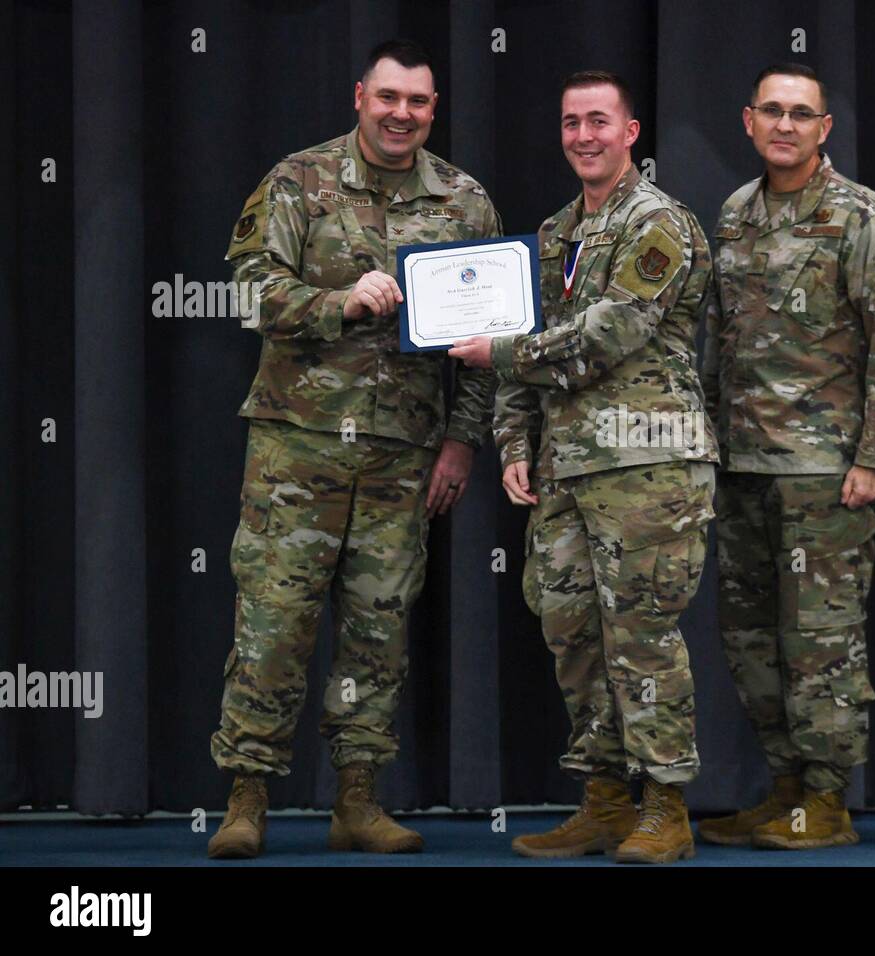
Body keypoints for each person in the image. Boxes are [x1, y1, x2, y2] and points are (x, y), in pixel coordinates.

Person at [207, 39, 501, 859]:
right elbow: (247, 292)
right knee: (273, 623)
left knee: (379, 628)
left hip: (403, 454)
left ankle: (358, 801)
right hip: (297, 449)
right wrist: (340, 302)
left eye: (418, 103)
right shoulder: (298, 179)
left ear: (433, 111)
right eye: (388, 99)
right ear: (360, 97)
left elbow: (488, 344)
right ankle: (247, 796)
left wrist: (461, 444)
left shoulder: (464, 202)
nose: (401, 114)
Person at [451, 71, 717, 864]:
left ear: (631, 132)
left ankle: (665, 807)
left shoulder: (659, 224)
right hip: (567, 471)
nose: (584, 136)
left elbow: (607, 334)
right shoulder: (553, 233)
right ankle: (604, 801)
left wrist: (499, 351)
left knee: (641, 636)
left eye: (600, 121)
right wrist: (513, 444)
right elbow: (517, 355)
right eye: (571, 123)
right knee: (572, 636)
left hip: (649, 466)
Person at [698, 63, 875, 850]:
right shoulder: (734, 215)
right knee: (752, 640)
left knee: (821, 642)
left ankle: (826, 800)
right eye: (773, 112)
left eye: (802, 114)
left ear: (825, 129)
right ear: (749, 121)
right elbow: (718, 343)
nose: (785, 125)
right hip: (742, 467)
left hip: (826, 472)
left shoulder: (861, 216)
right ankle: (783, 787)